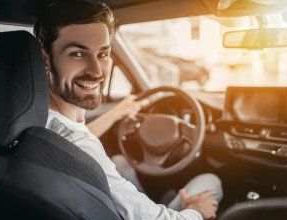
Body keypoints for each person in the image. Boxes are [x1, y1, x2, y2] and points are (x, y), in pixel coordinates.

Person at [34, 1, 222, 219]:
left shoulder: (39, 124)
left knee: (122, 163)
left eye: (103, 54)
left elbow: (72, 142)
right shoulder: (81, 146)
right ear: (46, 60)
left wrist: (117, 113)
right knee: (210, 181)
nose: (97, 72)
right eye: (77, 53)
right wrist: (196, 211)